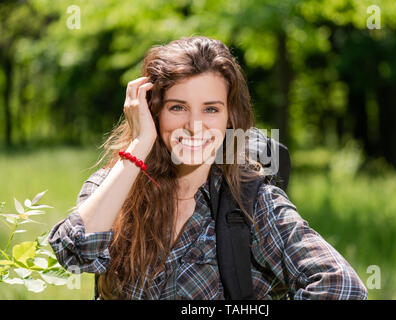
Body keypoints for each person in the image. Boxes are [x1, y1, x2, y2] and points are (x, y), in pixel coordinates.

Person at [48, 35, 368, 300]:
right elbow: (74, 254)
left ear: (230, 117)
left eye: (211, 109)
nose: (195, 126)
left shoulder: (252, 201)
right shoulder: (114, 184)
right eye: (178, 107)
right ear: (151, 110)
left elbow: (342, 287)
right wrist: (140, 143)